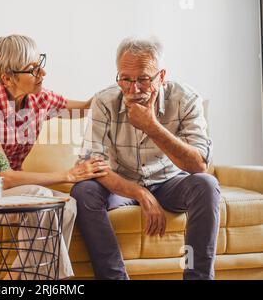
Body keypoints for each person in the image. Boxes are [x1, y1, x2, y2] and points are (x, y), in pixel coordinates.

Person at [0, 34, 109, 279]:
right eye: (33, 69)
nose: (42, 73)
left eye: (40, 63)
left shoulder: (39, 98)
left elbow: (84, 108)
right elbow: (3, 177)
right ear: (7, 77)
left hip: (3, 193)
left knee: (69, 205)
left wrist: (116, 92)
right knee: (40, 199)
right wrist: (68, 175)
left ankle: (21, 280)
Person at [70, 36, 221, 280]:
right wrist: (141, 193)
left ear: (161, 76)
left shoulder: (185, 99)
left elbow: (199, 164)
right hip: (121, 183)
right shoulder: (104, 101)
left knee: (207, 184)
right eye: (125, 79)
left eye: (143, 79)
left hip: (170, 181)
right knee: (83, 190)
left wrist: (151, 126)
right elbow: (93, 163)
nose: (134, 88)